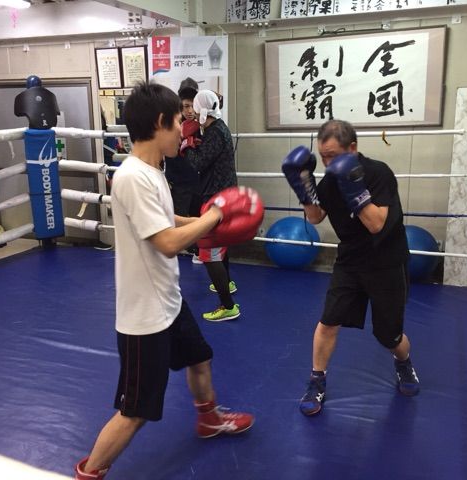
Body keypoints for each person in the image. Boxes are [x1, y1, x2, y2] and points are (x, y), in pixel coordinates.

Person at [74, 82, 254, 480]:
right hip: (145, 318)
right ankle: (89, 472)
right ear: (160, 123)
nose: (183, 130)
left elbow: (165, 219)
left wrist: (203, 221)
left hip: (168, 301)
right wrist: (215, 216)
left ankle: (209, 419)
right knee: (135, 412)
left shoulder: (153, 171)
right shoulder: (132, 177)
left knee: (199, 358)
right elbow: (168, 243)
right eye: (177, 122)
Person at [282, 119, 420, 417]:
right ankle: (316, 381)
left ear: (353, 148)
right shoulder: (331, 181)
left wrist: (353, 188)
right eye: (323, 157)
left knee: (389, 336)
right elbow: (316, 217)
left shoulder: (379, 173)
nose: (327, 163)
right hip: (350, 262)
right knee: (328, 322)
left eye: (333, 156)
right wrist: (304, 187)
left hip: (386, 262)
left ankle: (403, 362)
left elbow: (376, 224)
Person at [182, 89, 239, 322]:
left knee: (209, 251)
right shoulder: (216, 129)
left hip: (218, 198)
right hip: (222, 194)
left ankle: (228, 306)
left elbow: (197, 163)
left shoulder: (215, 132)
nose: (193, 114)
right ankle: (227, 283)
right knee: (219, 245)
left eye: (194, 108)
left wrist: (186, 145)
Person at [164, 78, 202, 262]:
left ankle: (197, 250)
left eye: (193, 106)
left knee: (197, 214)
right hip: (177, 179)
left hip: (197, 179)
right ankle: (177, 248)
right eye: (186, 106)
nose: (190, 111)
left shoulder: (204, 124)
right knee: (177, 215)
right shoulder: (172, 123)